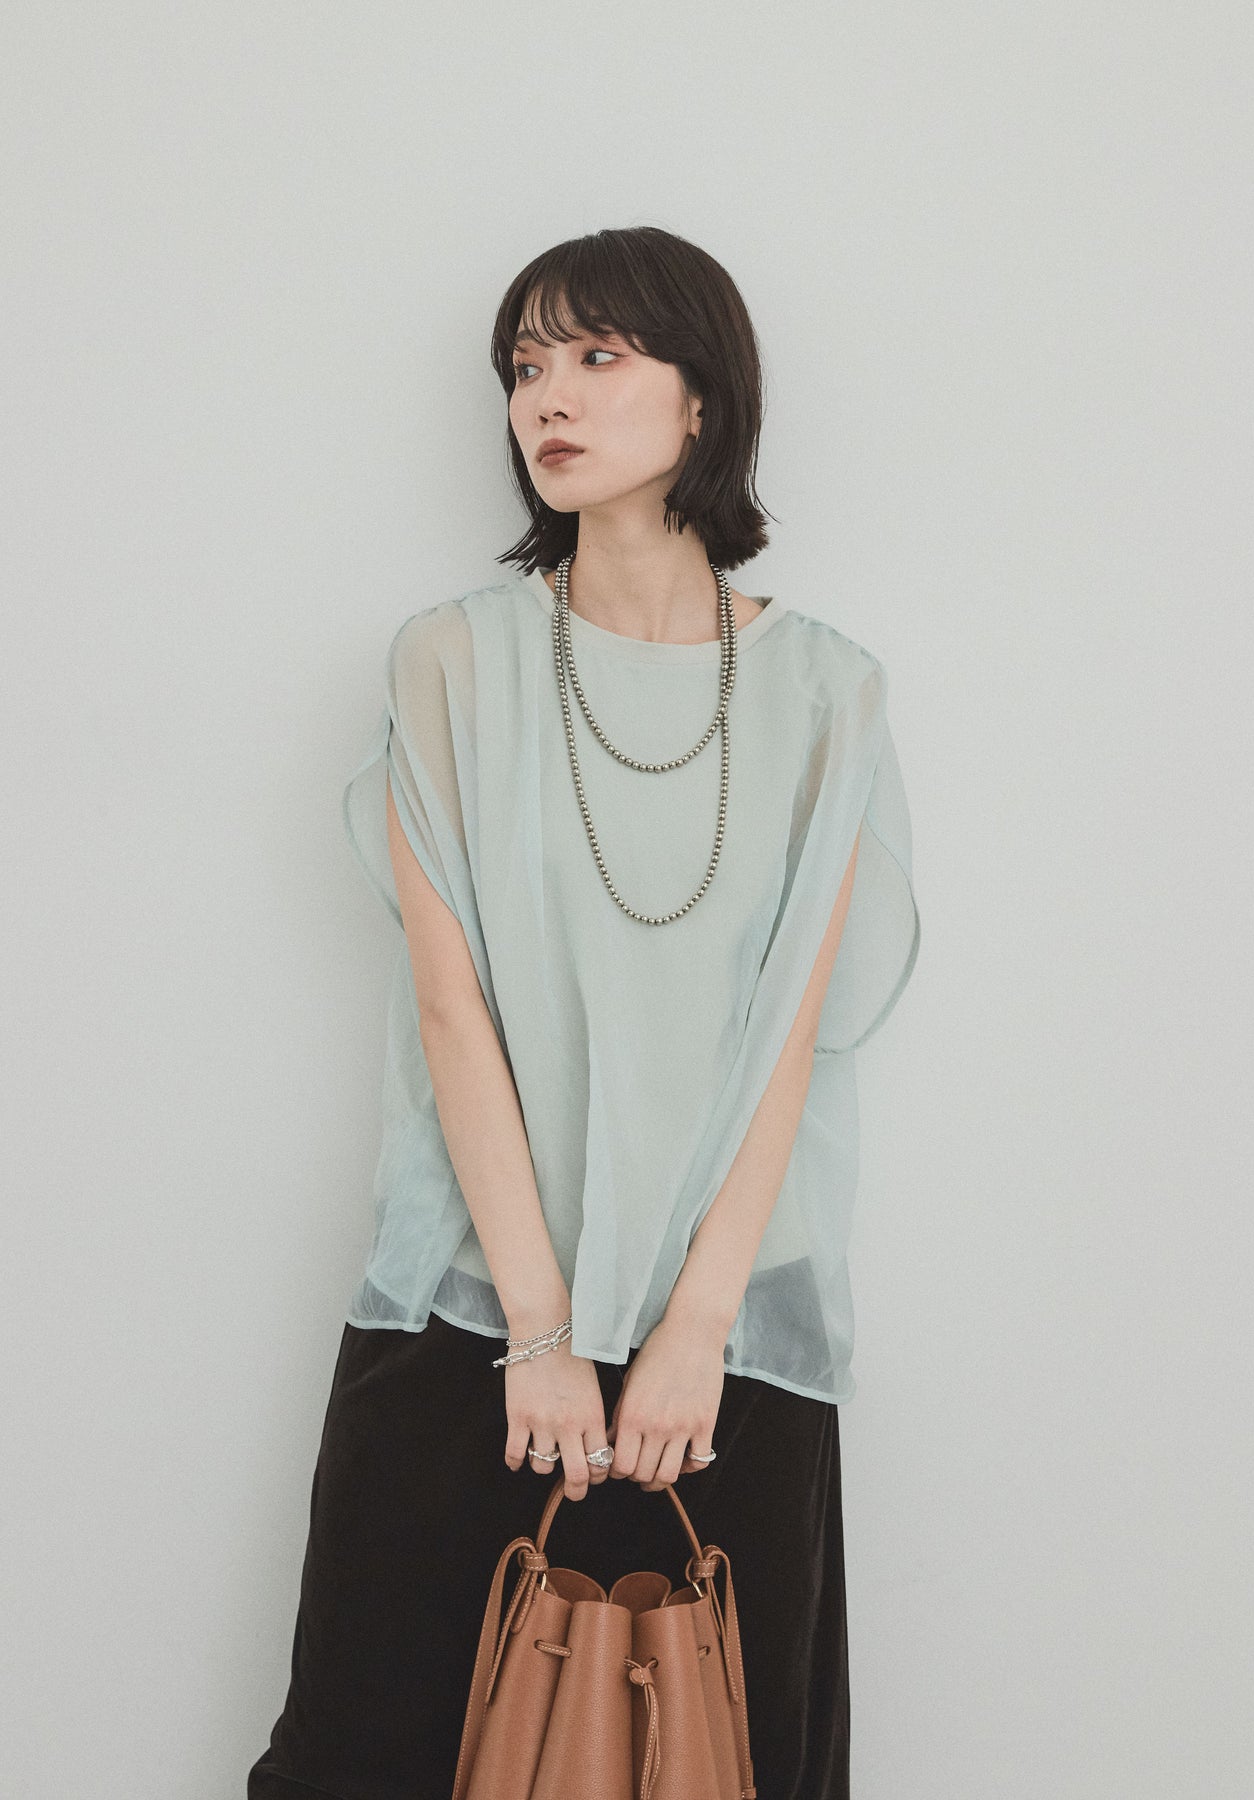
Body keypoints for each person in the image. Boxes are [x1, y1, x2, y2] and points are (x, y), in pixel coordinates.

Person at [247, 224, 920, 1800]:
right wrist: (541, 1335)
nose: (546, 396)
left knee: (727, 1761)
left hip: (728, 1321)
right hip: (471, 1305)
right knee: (367, 1753)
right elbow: (451, 1010)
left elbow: (790, 1033)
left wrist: (691, 1332)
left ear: (704, 401)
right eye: (524, 365)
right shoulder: (450, 662)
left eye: (598, 355)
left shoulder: (827, 692)